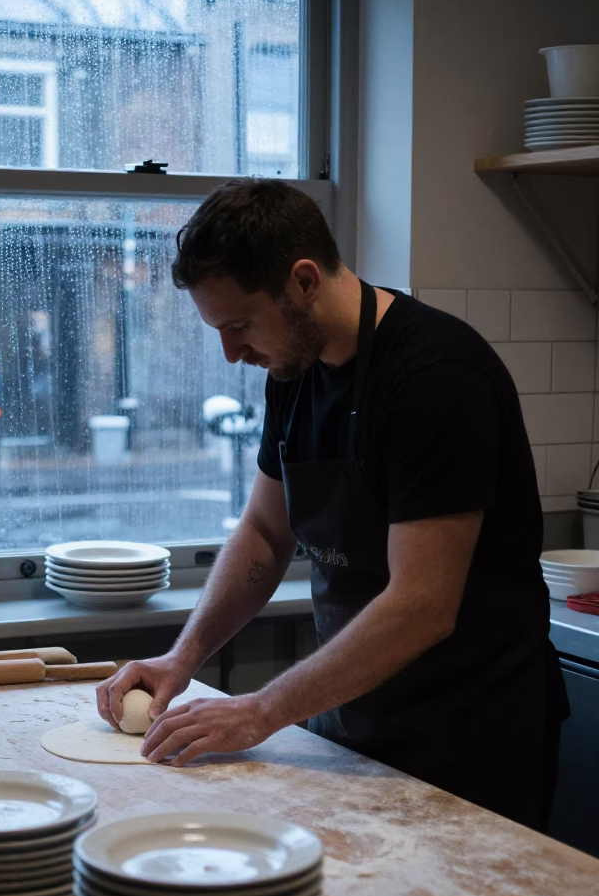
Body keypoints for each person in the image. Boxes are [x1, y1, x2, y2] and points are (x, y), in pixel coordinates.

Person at [97, 179, 567, 832]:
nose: (232, 354)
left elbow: (422, 607)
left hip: (466, 744)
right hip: (348, 726)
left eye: (238, 325)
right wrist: (185, 656)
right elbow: (265, 530)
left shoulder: (435, 379)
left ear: (305, 281)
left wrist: (261, 711)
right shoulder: (294, 371)